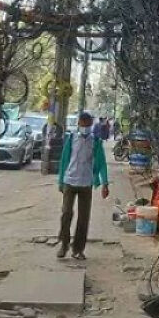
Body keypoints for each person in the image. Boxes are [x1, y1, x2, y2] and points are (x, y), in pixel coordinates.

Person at [56, 111, 109, 260]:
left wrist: (105, 183)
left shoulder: (96, 142)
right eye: (82, 124)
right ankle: (64, 244)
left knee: (83, 217)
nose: (85, 127)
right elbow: (64, 161)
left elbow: (102, 163)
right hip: (69, 181)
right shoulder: (71, 138)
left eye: (88, 124)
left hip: (86, 183)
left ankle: (78, 249)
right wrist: (60, 181)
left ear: (91, 125)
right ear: (79, 124)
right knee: (66, 213)